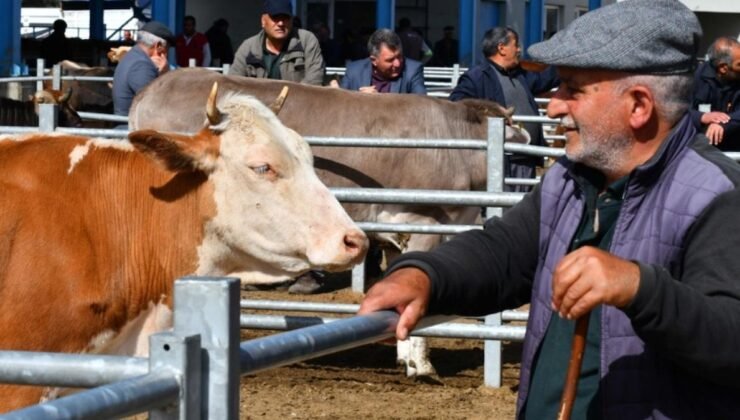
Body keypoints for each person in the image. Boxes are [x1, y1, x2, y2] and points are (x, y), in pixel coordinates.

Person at [359, 0, 740, 418]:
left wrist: (640, 288)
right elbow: (505, 251)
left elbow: (730, 340)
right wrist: (424, 276)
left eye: (572, 89)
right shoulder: (571, 178)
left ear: (638, 106)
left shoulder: (717, 196)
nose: (554, 105)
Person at [449, 27, 558, 192]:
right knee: (502, 209)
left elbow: (545, 80)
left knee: (521, 210)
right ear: (501, 48)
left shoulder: (519, 74)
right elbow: (457, 103)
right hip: (500, 160)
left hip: (526, 159)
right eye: (516, 45)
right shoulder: (477, 76)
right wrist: (490, 110)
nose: (519, 49)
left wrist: (567, 59)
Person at [228, 0, 325, 85]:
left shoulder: (306, 41)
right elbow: (233, 84)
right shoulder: (248, 47)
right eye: (275, 17)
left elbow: (314, 80)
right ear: (263, 21)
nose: (281, 23)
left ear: (292, 20)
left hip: (298, 104)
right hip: (256, 104)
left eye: (285, 17)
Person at [112, 21, 173, 117]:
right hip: (132, 128)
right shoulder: (142, 65)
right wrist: (166, 75)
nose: (166, 55)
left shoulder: (133, 55)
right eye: (166, 50)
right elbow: (157, 103)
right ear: (158, 46)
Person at [338, 28, 425, 95]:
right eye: (390, 60)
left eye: (399, 56)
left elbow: (421, 105)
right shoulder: (354, 70)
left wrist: (380, 102)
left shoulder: (413, 70)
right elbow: (342, 104)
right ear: (374, 60)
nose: (397, 64)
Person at [690, 36, 740, 150]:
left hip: (733, 148)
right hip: (698, 147)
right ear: (723, 68)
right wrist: (702, 117)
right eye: (739, 64)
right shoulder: (694, 78)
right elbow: (677, 111)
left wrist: (723, 124)